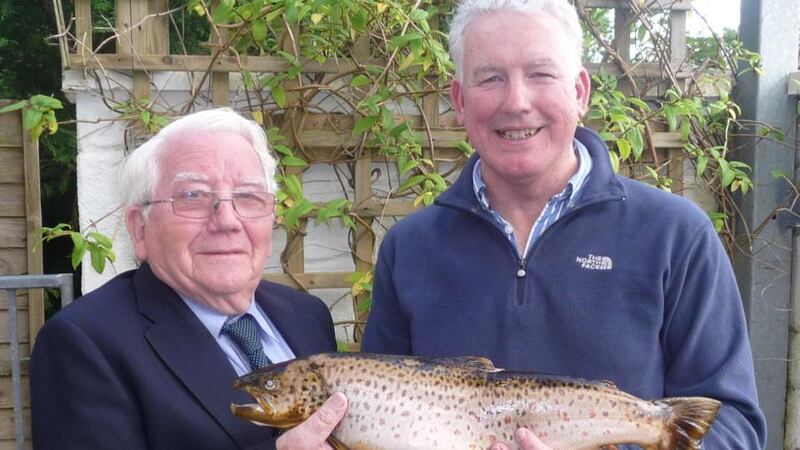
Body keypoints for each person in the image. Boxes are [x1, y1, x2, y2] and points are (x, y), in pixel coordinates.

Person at [361, 0, 767, 449]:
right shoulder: (410, 249)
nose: (516, 102)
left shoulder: (677, 236)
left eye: (540, 74)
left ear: (579, 92)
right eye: (491, 77)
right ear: (459, 101)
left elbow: (732, 428)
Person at [30, 108, 347, 450]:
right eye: (193, 196)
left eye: (248, 196)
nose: (227, 220)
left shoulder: (307, 316)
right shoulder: (85, 344)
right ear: (140, 227)